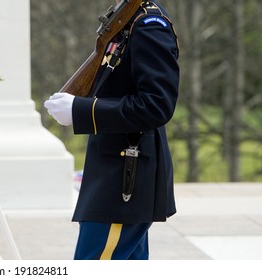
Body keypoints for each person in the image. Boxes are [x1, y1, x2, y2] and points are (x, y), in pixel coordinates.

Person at [44, 0, 179, 260]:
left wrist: (81, 110)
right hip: (112, 174)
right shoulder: (127, 17)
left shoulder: (150, 25)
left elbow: (156, 105)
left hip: (124, 180)